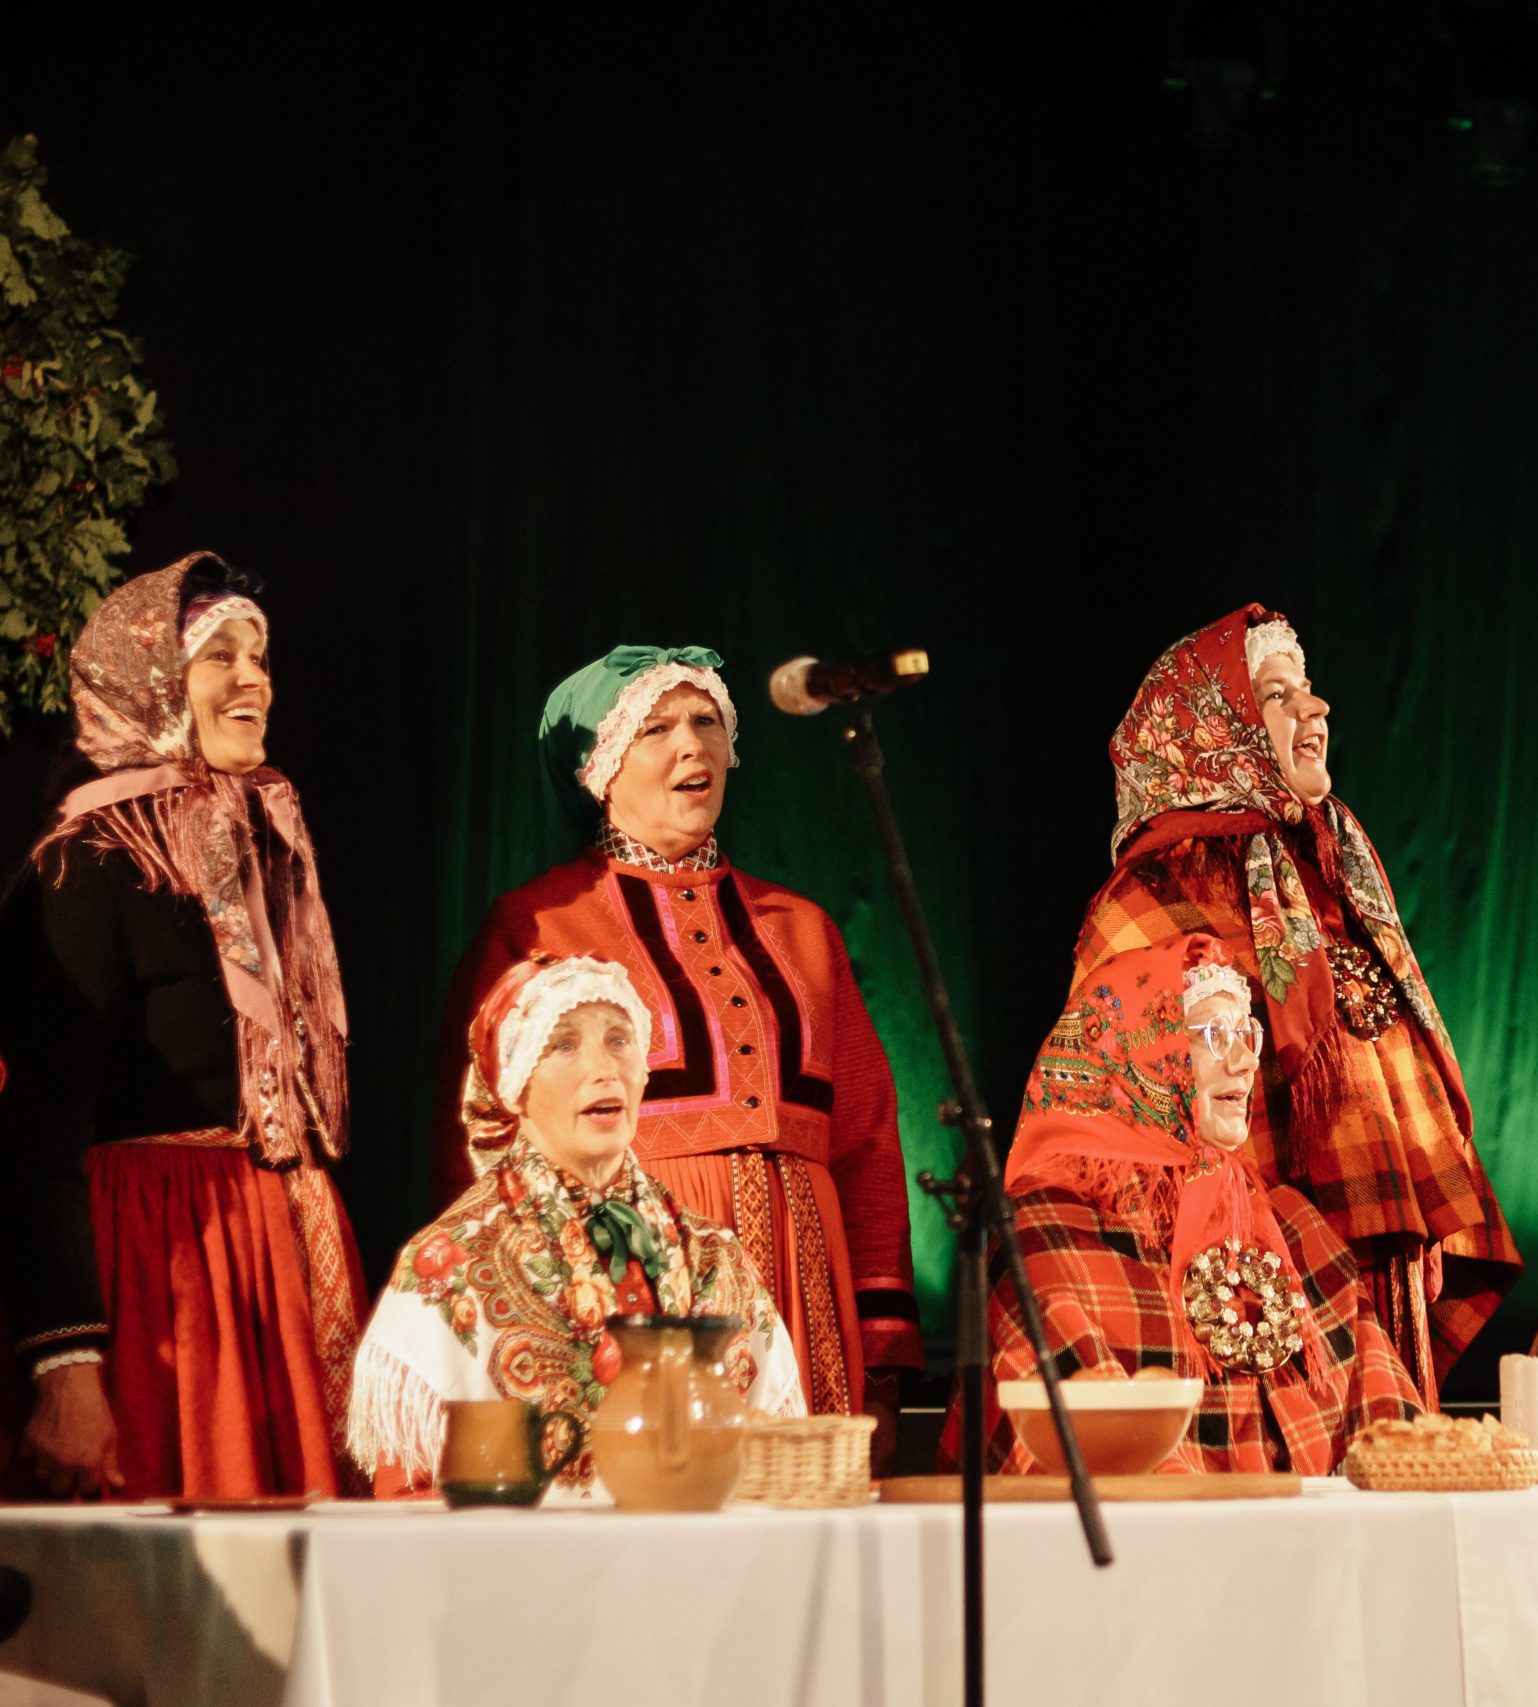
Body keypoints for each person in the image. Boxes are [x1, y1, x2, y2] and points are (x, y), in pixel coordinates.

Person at [432, 645, 912, 1443]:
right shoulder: (540, 926)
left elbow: (866, 1142)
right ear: (599, 769)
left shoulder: (802, 929)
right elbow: (480, 1150)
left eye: (706, 721)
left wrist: (886, 1359)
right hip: (631, 1299)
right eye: (656, 728)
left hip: (805, 1299)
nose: (692, 744)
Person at [1073, 606, 1517, 1406]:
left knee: (1392, 1462)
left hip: (1380, 1255)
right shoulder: (1153, 897)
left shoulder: (1331, 869)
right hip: (1242, 1279)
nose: (1316, 707)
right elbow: (1116, 1132)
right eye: (1278, 695)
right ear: (1216, 730)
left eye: (1307, 687)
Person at [0, 552, 365, 1499]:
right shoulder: (89, 862)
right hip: (161, 1262)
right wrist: (65, 1361)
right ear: (152, 682)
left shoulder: (266, 843)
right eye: (220, 658)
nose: (254, 680)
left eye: (261, 657)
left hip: (270, 1255)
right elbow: (35, 1137)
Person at [951, 936, 1417, 1474]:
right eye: (1213, 1035)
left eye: (1246, 1034)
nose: (1244, 1062)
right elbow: (1086, 1459)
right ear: (1137, 1053)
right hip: (1149, 1526)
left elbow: (1398, 1436)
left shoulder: (1291, 1225)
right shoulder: (1049, 1229)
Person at [352, 954, 802, 1493]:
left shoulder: (716, 1256)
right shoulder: (453, 1259)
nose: (604, 1069)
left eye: (619, 1041)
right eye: (564, 1045)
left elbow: (776, 1461)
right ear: (515, 1084)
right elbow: (413, 1495)